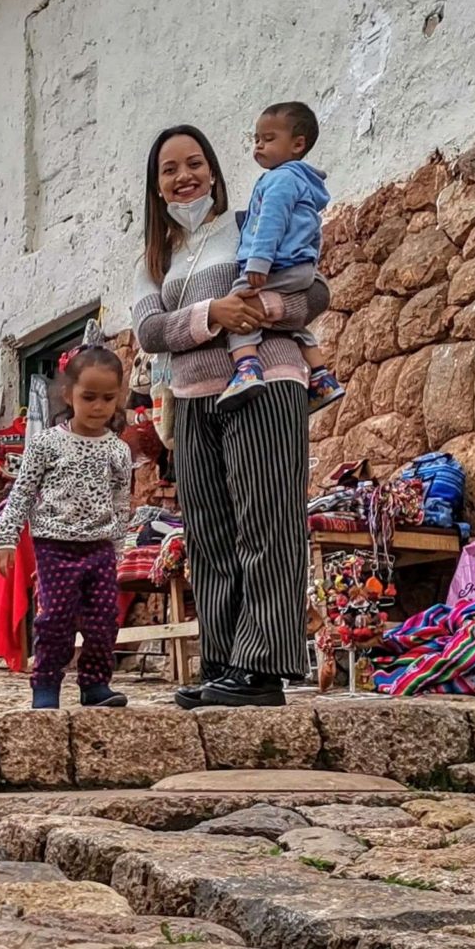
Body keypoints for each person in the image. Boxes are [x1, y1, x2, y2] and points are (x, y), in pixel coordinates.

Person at [131, 123, 328, 709]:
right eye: (170, 169)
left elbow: (313, 293)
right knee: (211, 531)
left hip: (266, 382)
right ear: (157, 186)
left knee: (266, 521)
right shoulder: (152, 260)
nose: (184, 175)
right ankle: (222, 662)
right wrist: (214, 313)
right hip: (193, 401)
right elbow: (149, 331)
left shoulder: (250, 223)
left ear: (214, 171)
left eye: (195, 163)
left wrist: (260, 308)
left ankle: (261, 669)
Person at [0, 345, 133, 711]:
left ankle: (95, 684)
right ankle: (46, 684)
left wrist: (118, 545)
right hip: (55, 547)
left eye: (108, 398)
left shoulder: (118, 450)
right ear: (68, 394)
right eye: (89, 397)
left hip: (100, 548)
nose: (98, 406)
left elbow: (121, 500)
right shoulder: (46, 444)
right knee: (55, 617)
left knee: (103, 619)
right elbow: (21, 492)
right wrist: (6, 538)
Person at [220, 103, 337, 406]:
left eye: (269, 139)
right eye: (256, 139)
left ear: (298, 144)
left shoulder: (280, 180)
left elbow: (270, 221)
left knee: (238, 307)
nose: (259, 145)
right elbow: (312, 231)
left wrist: (258, 262)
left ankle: (246, 369)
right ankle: (322, 377)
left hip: (276, 266)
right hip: (299, 267)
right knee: (295, 324)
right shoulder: (303, 182)